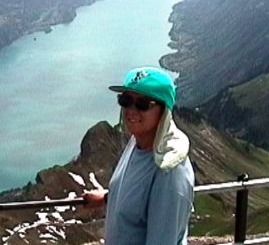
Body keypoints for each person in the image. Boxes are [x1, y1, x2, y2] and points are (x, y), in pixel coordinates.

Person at [83, 66, 194, 245]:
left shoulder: (169, 171)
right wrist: (106, 198)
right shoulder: (138, 141)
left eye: (143, 104)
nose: (131, 110)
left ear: (163, 111)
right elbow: (138, 196)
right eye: (126, 100)